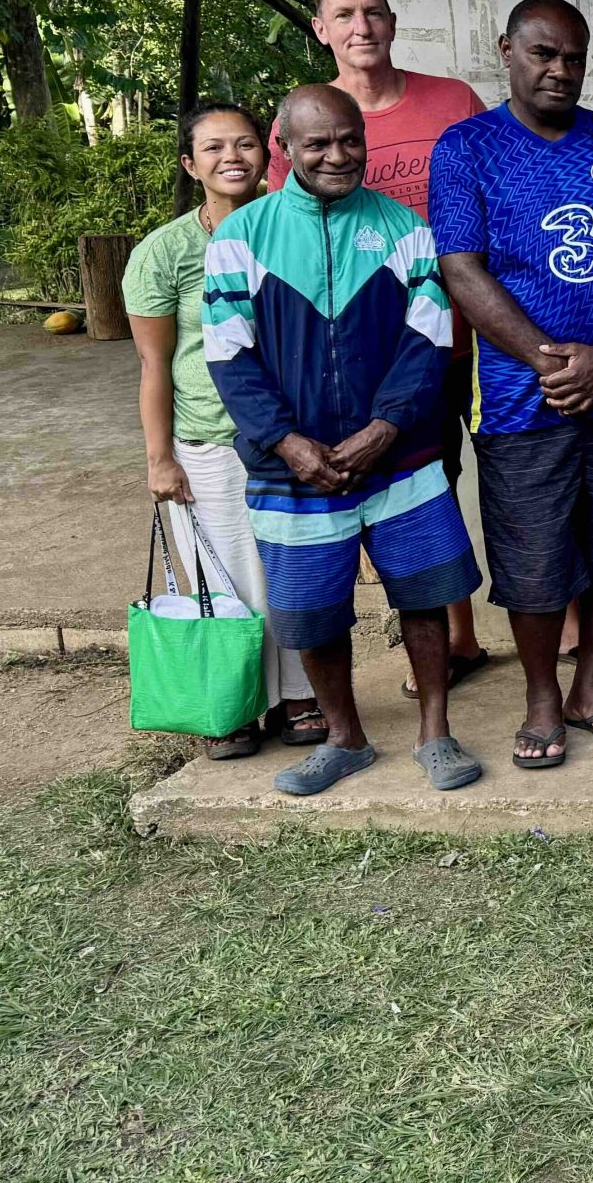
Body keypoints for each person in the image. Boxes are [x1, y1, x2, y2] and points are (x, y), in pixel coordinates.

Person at [202, 85, 484, 795]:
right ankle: (344, 738)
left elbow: (428, 340)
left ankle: (435, 733)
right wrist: (286, 441)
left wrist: (385, 428)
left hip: (402, 458)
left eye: (349, 139)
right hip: (292, 469)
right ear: (285, 148)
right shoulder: (241, 238)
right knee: (312, 612)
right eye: (318, 143)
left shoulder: (404, 229)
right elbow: (228, 354)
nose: (337, 155)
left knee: (425, 595)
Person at [430, 0, 593, 773]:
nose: (560, 70)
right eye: (544, 53)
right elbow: (460, 268)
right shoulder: (466, 147)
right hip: (517, 400)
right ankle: (542, 697)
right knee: (532, 560)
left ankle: (590, 685)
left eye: (574, 57)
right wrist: (550, 361)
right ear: (507, 50)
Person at [271, 0, 500, 687]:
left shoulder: (453, 100)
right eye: (343, 15)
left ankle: (561, 619)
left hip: (477, 335)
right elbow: (291, 236)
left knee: (516, 471)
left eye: (372, 11)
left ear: (393, 21)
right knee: (427, 485)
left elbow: (501, 195)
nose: (361, 27)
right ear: (321, 29)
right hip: (379, 355)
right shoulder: (309, 120)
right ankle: (458, 638)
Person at [124, 102, 315, 760]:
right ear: (190, 164)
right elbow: (154, 365)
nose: (231, 157)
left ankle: (299, 696)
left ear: (268, 153)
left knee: (291, 567)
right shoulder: (165, 252)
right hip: (209, 438)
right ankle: (232, 705)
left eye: (244, 143)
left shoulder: (295, 228)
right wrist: (159, 458)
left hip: (293, 434)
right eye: (213, 148)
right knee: (227, 575)